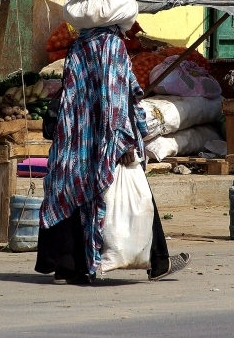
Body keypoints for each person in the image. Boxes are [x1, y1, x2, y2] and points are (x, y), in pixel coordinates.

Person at [35, 23, 190, 284]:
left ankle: (66, 267)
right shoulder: (112, 46)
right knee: (135, 191)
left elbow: (74, 92)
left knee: (72, 189)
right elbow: (115, 94)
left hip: (76, 134)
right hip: (108, 134)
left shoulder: (78, 46)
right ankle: (159, 262)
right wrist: (124, 141)